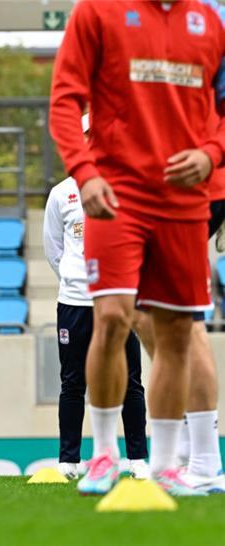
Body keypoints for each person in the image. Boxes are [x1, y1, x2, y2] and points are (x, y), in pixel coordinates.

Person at [49, 0, 224, 496]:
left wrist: (212, 155)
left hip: (184, 201)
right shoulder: (97, 12)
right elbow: (64, 100)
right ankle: (103, 456)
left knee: (174, 332)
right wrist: (84, 173)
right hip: (115, 195)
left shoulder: (209, 23)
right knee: (112, 317)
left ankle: (168, 466)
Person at [42, 115, 149, 480]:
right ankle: (68, 460)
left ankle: (137, 458)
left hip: (118, 299)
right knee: (73, 381)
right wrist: (75, 280)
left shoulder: (124, 186)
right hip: (74, 301)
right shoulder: (62, 193)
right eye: (86, 135)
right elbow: (53, 249)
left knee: (131, 380)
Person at [131, 178, 225, 494]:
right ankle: (192, 452)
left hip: (186, 195)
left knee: (183, 320)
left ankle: (204, 463)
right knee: (144, 316)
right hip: (169, 194)